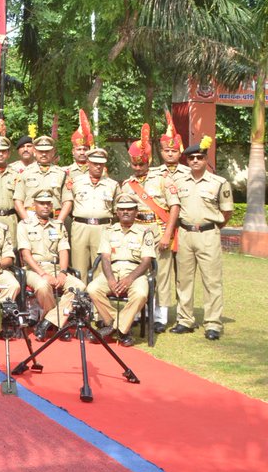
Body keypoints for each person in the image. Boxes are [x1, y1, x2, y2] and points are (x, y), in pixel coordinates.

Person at [170, 138, 233, 340]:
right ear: (187, 161)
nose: (195, 161)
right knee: (184, 280)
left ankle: (213, 323)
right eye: (191, 158)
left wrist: (212, 227)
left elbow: (226, 212)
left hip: (208, 234)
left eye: (199, 157)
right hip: (185, 234)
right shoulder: (179, 182)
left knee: (212, 280)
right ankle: (185, 320)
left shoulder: (219, 183)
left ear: (206, 159)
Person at [122, 125, 180, 332]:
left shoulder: (163, 179)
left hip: (158, 229)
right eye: (135, 165)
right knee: (136, 271)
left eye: (142, 164)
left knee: (162, 274)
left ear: (149, 161)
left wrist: (167, 234)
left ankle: (160, 316)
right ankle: (137, 311)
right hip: (137, 232)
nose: (138, 168)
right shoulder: (127, 185)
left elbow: (174, 207)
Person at [87, 195, 156, 346]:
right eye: (122, 209)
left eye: (130, 209)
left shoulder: (145, 232)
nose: (126, 212)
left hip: (135, 272)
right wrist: (111, 279)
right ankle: (119, 327)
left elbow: (146, 261)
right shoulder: (108, 231)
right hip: (112, 270)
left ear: (136, 211)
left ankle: (114, 328)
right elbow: (105, 258)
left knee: (141, 294)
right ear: (117, 212)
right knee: (92, 288)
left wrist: (130, 279)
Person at [17, 189, 85, 341]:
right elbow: (26, 255)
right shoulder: (24, 225)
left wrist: (62, 272)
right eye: (41, 203)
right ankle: (58, 324)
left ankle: (47, 322)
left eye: (48, 203)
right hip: (34, 270)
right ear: (34, 205)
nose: (45, 207)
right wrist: (43, 274)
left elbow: (63, 251)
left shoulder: (58, 226)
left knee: (79, 286)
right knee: (42, 286)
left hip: (56, 268)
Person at [61, 148, 118, 276]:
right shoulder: (76, 182)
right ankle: (79, 295)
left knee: (101, 267)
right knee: (78, 268)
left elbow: (116, 211)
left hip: (103, 228)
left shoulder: (112, 185)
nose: (98, 166)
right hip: (80, 227)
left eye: (101, 163)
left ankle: (96, 295)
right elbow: (69, 204)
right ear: (88, 162)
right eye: (94, 163)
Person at [14, 135, 68, 221]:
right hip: (31, 219)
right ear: (35, 151)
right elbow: (18, 201)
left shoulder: (62, 174)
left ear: (53, 152)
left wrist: (59, 222)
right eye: (40, 151)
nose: (43, 154)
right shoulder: (25, 173)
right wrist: (27, 221)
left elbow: (67, 201)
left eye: (47, 151)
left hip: (54, 219)